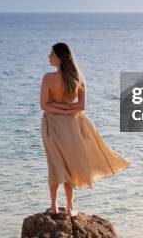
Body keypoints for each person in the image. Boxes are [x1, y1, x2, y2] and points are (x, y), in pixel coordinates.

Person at [40, 42, 132, 217]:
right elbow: (81, 106)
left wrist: (59, 108)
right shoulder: (78, 78)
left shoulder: (48, 78)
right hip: (72, 126)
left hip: (52, 125)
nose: (49, 57)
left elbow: (44, 105)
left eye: (52, 54)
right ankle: (69, 207)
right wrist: (67, 109)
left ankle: (53, 207)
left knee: (55, 164)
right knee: (70, 164)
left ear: (60, 57)